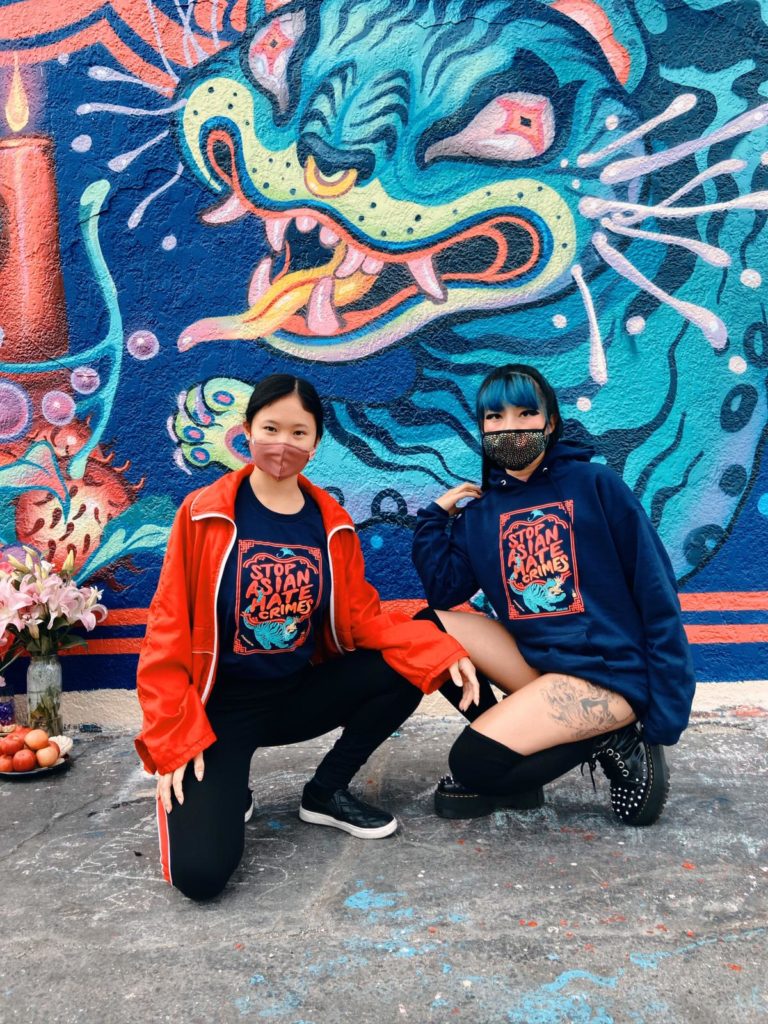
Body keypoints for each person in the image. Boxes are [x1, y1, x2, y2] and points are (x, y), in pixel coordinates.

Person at [135, 374, 477, 900]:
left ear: (316, 442)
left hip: (297, 694)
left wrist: (438, 650)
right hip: (220, 713)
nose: (283, 444)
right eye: (271, 428)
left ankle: (325, 792)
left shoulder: (332, 523)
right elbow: (167, 632)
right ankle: (228, 790)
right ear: (246, 431)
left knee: (408, 667)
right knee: (201, 877)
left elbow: (363, 618)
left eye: (299, 432)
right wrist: (172, 739)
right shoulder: (204, 514)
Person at [412, 363, 695, 827]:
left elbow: (656, 593)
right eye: (494, 417)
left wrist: (664, 714)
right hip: (541, 666)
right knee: (428, 628)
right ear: (481, 426)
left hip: (608, 674)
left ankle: (621, 733)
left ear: (550, 423)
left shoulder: (596, 485)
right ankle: (521, 756)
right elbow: (445, 589)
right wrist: (432, 519)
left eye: (526, 414)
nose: (510, 427)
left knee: (471, 766)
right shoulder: (483, 514)